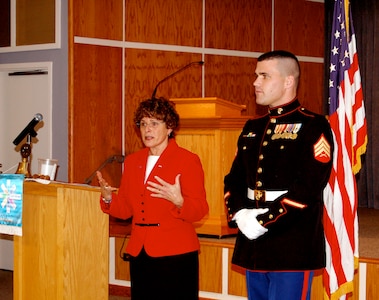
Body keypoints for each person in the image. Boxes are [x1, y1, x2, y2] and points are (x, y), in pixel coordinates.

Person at [224, 50, 334, 300]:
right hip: (253, 242)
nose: (255, 82)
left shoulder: (313, 125)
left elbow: (308, 188)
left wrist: (263, 221)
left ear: (288, 81)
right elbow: (234, 178)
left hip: (291, 242)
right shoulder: (253, 127)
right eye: (256, 75)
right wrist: (240, 213)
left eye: (264, 76)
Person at [97, 97, 209, 300]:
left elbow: (200, 209)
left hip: (176, 253)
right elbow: (126, 210)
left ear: (170, 128)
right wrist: (108, 199)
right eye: (143, 123)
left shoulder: (187, 160)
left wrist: (180, 201)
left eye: (154, 123)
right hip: (140, 251)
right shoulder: (133, 161)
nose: (147, 129)